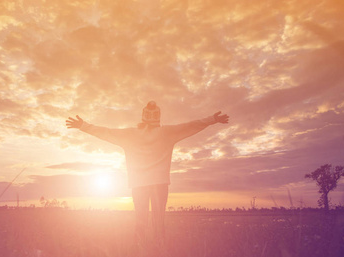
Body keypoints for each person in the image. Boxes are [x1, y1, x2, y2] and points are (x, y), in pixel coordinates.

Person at [66, 101, 229, 244]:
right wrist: (212, 120)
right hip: (159, 183)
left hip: (139, 184)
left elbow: (106, 132)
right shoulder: (166, 133)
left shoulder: (130, 134)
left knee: (141, 220)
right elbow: (191, 125)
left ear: (142, 118)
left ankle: (140, 251)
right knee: (158, 221)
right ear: (158, 118)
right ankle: (159, 250)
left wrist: (83, 126)